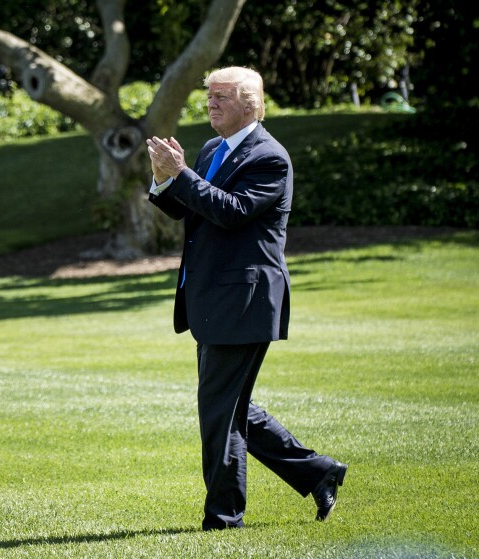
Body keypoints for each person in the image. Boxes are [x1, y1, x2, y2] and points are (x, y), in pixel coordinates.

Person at [145, 66, 347, 530]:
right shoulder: (215, 148)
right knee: (230, 407)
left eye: (221, 97)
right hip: (214, 299)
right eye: (209, 96)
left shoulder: (269, 157)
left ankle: (224, 519)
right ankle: (319, 472)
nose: (211, 104)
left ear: (250, 104)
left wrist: (182, 175)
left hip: (243, 300)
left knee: (220, 412)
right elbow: (192, 208)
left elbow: (232, 212)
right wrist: (163, 179)